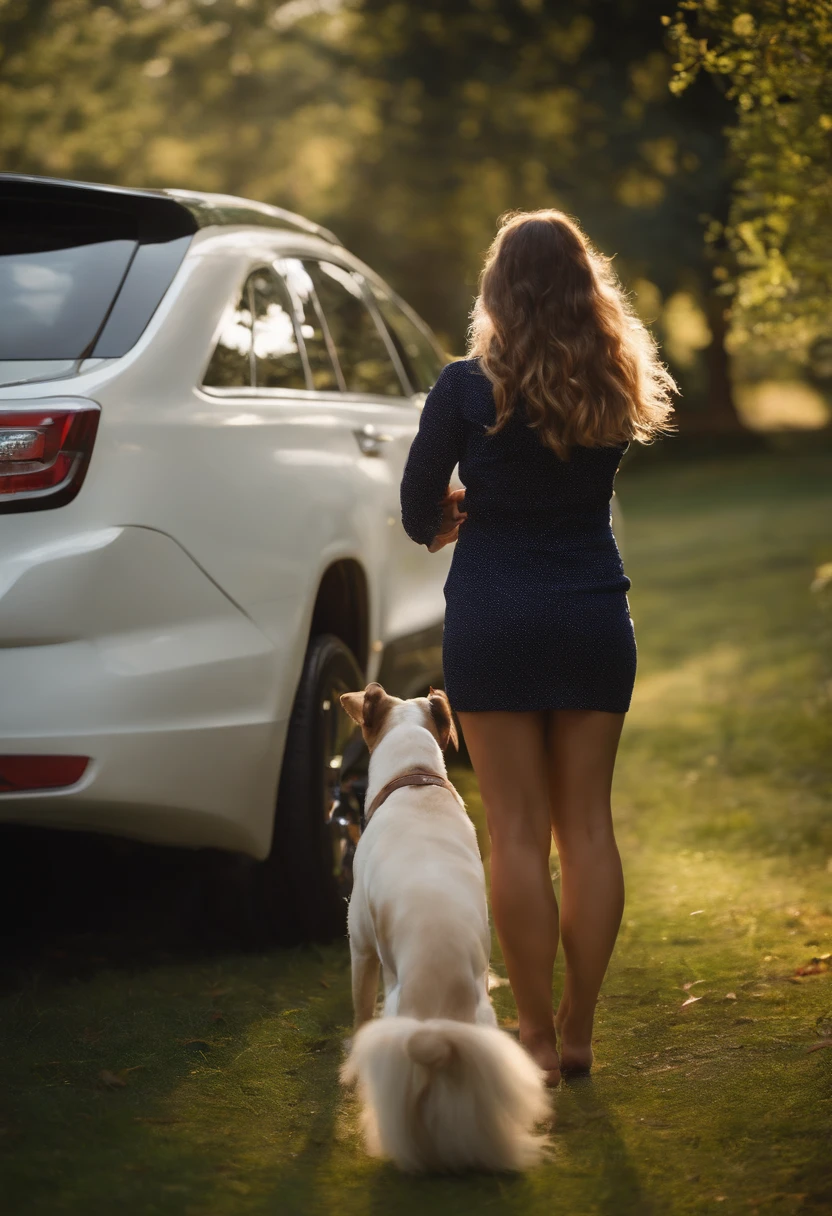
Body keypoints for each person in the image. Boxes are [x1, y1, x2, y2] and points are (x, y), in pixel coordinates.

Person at [400, 209, 676, 1085]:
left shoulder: (462, 389)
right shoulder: (615, 378)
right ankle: (580, 1027)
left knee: (515, 832)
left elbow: (416, 510)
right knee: (587, 827)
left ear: (495, 289)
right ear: (585, 285)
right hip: (593, 610)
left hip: (492, 615)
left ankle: (533, 1036)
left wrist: (456, 516)